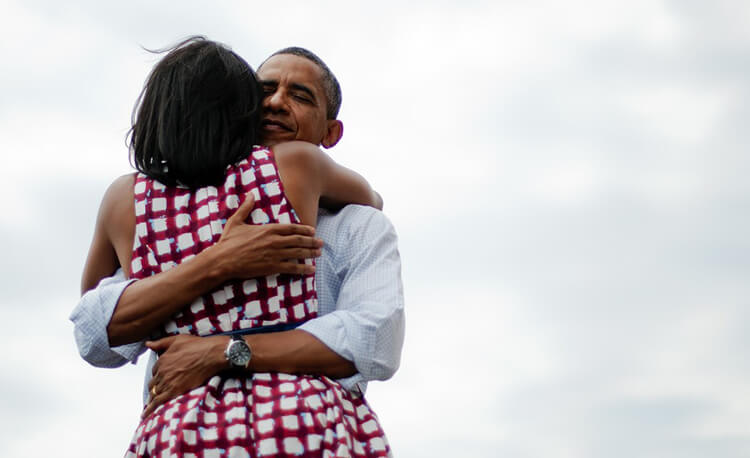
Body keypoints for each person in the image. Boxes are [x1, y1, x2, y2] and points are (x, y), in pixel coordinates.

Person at [77, 37, 399, 456]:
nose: (275, 103)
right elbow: (95, 333)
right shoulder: (297, 169)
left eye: (299, 96)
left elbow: (373, 340)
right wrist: (219, 260)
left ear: (330, 131)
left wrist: (223, 350)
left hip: (183, 432)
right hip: (302, 425)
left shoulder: (137, 207)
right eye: (263, 91)